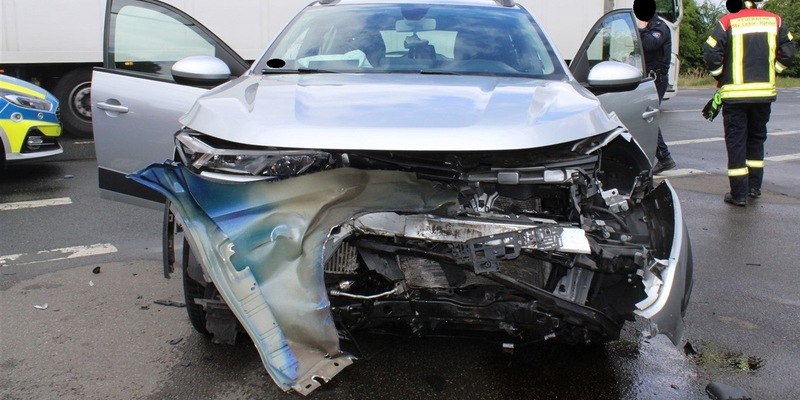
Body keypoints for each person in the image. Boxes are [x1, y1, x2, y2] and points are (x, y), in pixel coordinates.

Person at [703, 0, 795, 207]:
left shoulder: (727, 21)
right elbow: (789, 53)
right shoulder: (775, 20)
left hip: (735, 96)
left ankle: (739, 194)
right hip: (763, 95)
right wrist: (774, 71)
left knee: (736, 142)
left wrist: (721, 75)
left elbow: (710, 53)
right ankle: (754, 187)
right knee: (756, 139)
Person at [634, 0, 675, 175]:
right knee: (642, 116)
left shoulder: (660, 27)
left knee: (647, 118)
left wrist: (641, 29)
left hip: (656, 79)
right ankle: (658, 157)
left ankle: (664, 157)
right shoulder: (650, 27)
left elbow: (650, 44)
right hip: (647, 78)